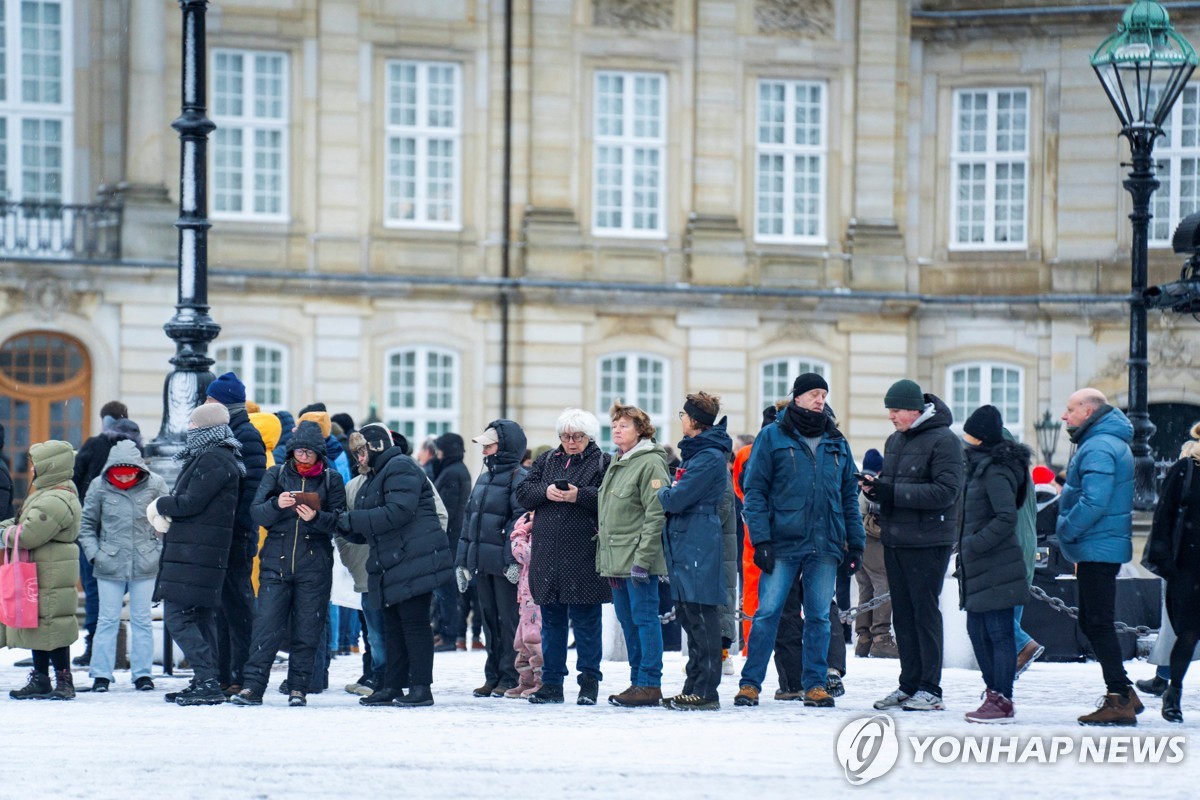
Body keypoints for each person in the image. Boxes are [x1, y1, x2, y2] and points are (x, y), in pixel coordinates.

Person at [736, 374, 864, 709]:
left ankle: (815, 684)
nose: (819, 400)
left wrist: (856, 543)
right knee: (768, 614)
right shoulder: (772, 437)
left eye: (823, 394)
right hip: (782, 542)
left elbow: (849, 495)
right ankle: (750, 683)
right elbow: (755, 492)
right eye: (813, 394)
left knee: (820, 616)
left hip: (826, 544)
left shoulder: (836, 441)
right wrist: (761, 539)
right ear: (796, 397)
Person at [338, 423, 455, 707]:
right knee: (393, 625)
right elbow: (370, 522)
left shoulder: (400, 466)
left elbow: (397, 512)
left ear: (376, 446)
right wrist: (332, 522)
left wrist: (349, 521)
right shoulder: (379, 473)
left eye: (362, 450)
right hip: (394, 559)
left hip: (414, 558)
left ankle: (420, 688)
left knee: (414, 624)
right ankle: (392, 685)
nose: (359, 457)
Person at [232, 421, 347, 707]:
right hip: (276, 562)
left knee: (308, 629)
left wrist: (316, 518)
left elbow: (341, 522)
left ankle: (298, 688)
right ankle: (253, 687)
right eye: (299, 452)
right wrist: (276, 505)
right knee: (265, 627)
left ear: (319, 454)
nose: (303, 457)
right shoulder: (277, 474)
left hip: (314, 564)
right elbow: (256, 514)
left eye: (309, 452)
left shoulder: (331, 480)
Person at [864, 378, 963, 712]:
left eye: (895, 410)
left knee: (924, 612)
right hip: (896, 537)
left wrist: (891, 493)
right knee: (903, 616)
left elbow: (945, 493)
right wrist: (876, 490)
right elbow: (894, 486)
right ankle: (909, 684)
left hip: (929, 540)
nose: (890, 416)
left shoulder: (945, 441)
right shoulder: (896, 440)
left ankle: (930, 688)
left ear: (914, 410)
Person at [514, 408, 611, 705]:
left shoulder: (602, 461)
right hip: (548, 556)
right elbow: (522, 492)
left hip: (584, 555)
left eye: (577, 436)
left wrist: (577, 495)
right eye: (565, 436)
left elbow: (609, 498)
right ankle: (552, 682)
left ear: (589, 436)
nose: (570, 442)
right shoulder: (547, 460)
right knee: (553, 623)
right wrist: (547, 492)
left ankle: (589, 681)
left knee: (586, 622)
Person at [1056, 388, 1141, 726]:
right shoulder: (1101, 442)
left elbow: (1095, 500)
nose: (1065, 417)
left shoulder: (1099, 446)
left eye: (1070, 409)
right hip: (1098, 545)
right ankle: (1124, 691)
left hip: (1096, 545)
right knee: (1092, 622)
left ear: (1089, 412)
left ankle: (1119, 698)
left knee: (1097, 623)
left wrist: (1066, 527)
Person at [152, 403, 244, 706]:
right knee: (202, 618)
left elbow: (190, 503)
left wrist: (162, 505)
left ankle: (206, 678)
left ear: (206, 429)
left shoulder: (213, 459)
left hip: (197, 551)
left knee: (177, 616)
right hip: (202, 550)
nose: (188, 429)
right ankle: (209, 680)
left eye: (193, 425)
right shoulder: (217, 457)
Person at [955, 405, 1032, 723]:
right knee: (977, 629)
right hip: (981, 562)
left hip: (996, 561)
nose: (965, 438)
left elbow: (1005, 516)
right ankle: (994, 692)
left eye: (969, 434)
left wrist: (974, 544)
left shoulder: (995, 469)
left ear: (980, 438)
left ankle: (1002, 698)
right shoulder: (979, 466)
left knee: (998, 632)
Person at [657, 392, 733, 710]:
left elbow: (676, 498)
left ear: (693, 421)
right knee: (690, 615)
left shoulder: (708, 456)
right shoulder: (698, 453)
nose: (681, 421)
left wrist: (663, 491)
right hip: (688, 538)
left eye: (683, 416)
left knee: (701, 615)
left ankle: (706, 690)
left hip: (698, 538)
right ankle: (694, 684)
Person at [77, 440, 168, 692]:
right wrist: (95, 554)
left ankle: (142, 674)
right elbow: (86, 526)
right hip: (109, 562)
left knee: (141, 619)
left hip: (145, 561)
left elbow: (167, 522)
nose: (126, 475)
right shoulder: (99, 486)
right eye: (120, 471)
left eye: (130, 470)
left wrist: (157, 552)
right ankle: (101, 675)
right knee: (107, 619)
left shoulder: (155, 484)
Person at [597, 401, 670, 708]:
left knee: (644, 619)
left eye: (624, 425)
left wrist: (644, 558)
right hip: (617, 559)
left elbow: (656, 513)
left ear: (640, 431)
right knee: (628, 621)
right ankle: (637, 680)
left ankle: (650, 682)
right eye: (614, 424)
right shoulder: (620, 461)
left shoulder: (649, 462)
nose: (616, 429)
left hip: (638, 559)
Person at [204, 372, 267, 696]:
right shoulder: (228, 432)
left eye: (210, 400)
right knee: (223, 608)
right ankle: (226, 674)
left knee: (239, 608)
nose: (205, 404)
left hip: (235, 535)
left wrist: (238, 528)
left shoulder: (246, 434)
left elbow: (252, 490)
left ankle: (244, 674)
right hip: (223, 534)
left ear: (223, 402)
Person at [3, 440, 82, 700]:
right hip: (44, 569)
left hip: (50, 570)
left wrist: (4, 534)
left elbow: (29, 535)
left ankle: (63, 681)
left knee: (52, 624)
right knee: (40, 624)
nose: (33, 470)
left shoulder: (55, 499)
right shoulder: (49, 493)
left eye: (36, 465)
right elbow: (24, 523)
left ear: (49, 466)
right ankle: (41, 679)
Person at [457, 420, 528, 698]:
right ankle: (493, 674)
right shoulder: (484, 477)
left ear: (506, 447)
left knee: (507, 620)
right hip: (482, 562)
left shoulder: (518, 477)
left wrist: (512, 560)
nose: (485, 450)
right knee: (489, 620)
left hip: (502, 563)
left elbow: (518, 521)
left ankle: (510, 675)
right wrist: (463, 561)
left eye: (490, 445)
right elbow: (469, 520)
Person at [70, 401, 140, 668]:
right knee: (119, 592)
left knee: (93, 589)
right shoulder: (135, 447)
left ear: (106, 420)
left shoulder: (95, 445)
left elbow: (74, 479)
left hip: (95, 532)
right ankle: (114, 646)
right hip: (127, 533)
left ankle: (96, 647)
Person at [1142, 420, 1200, 723]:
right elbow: (1163, 516)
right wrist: (1164, 561)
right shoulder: (1186, 470)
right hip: (1189, 569)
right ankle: (1173, 692)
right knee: (1188, 633)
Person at [853, 448, 896, 659]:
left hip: (858, 537)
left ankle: (864, 639)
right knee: (883, 584)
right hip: (871, 538)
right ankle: (881, 638)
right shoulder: (886, 478)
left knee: (867, 587)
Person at [432, 432, 471, 652]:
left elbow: (445, 510)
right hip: (453, 539)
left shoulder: (451, 472)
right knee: (447, 591)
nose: (437, 453)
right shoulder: (456, 470)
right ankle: (444, 632)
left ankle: (448, 635)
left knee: (446, 591)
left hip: (449, 540)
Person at [507, 511, 542, 698]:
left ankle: (540, 680)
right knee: (521, 640)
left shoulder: (538, 525)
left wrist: (518, 534)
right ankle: (525, 679)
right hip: (525, 591)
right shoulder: (528, 519)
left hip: (535, 592)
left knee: (533, 637)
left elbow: (523, 555)